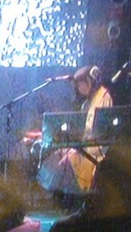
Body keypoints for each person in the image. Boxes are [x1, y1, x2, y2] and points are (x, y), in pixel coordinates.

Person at [37, 65, 113, 211]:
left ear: (91, 81)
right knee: (56, 157)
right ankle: (58, 199)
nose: (80, 88)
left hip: (95, 152)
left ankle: (67, 202)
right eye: (78, 86)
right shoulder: (89, 101)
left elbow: (100, 134)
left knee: (64, 161)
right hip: (85, 147)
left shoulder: (104, 98)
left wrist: (77, 149)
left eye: (82, 84)